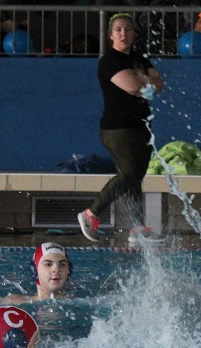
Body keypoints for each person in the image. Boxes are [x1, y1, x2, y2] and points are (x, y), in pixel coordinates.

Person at [77, 13, 165, 245]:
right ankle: (91, 213)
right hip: (118, 129)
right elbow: (135, 88)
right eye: (118, 29)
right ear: (110, 35)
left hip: (141, 127)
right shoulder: (110, 61)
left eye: (128, 29)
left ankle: (137, 228)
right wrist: (144, 80)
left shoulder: (138, 58)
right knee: (127, 174)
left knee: (135, 178)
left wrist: (143, 78)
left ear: (134, 33)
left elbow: (160, 85)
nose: (123, 33)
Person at [0, 243, 72, 305]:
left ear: (69, 270)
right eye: (48, 264)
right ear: (34, 270)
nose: (56, 269)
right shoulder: (13, 302)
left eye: (62, 264)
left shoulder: (79, 302)